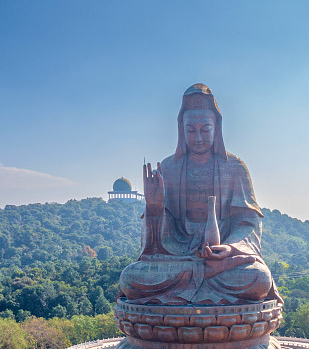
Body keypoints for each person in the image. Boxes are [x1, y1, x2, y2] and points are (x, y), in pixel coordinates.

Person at [119, 84, 281, 306]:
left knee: (258, 278)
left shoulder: (234, 167)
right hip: (179, 257)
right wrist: (154, 208)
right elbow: (155, 242)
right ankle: (203, 285)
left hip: (221, 261)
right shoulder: (168, 168)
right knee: (131, 278)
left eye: (205, 130)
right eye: (191, 130)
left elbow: (248, 223)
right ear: (181, 130)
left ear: (216, 128)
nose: (197, 138)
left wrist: (229, 248)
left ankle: (190, 289)